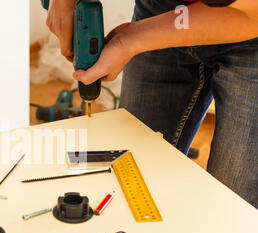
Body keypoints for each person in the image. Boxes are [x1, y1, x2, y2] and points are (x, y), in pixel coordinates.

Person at [46, 0, 258, 208]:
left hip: (251, 31)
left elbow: (251, 15)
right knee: (133, 172)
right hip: (159, 8)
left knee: (234, 205)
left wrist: (129, 41)